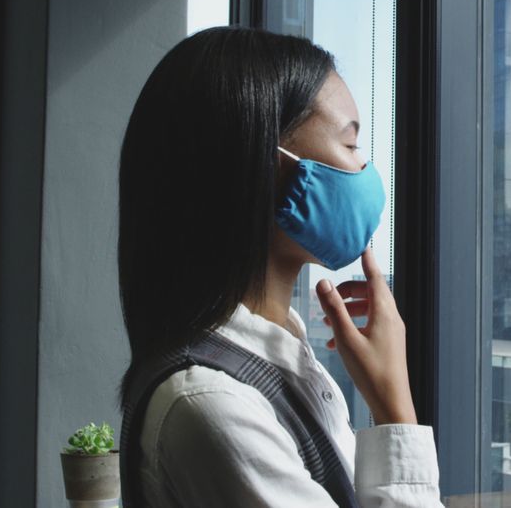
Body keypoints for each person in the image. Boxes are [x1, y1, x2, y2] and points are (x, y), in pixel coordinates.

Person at [117, 25, 443, 507]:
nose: (364, 172)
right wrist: (395, 408)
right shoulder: (210, 405)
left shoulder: (275, 355)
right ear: (265, 165)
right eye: (351, 147)